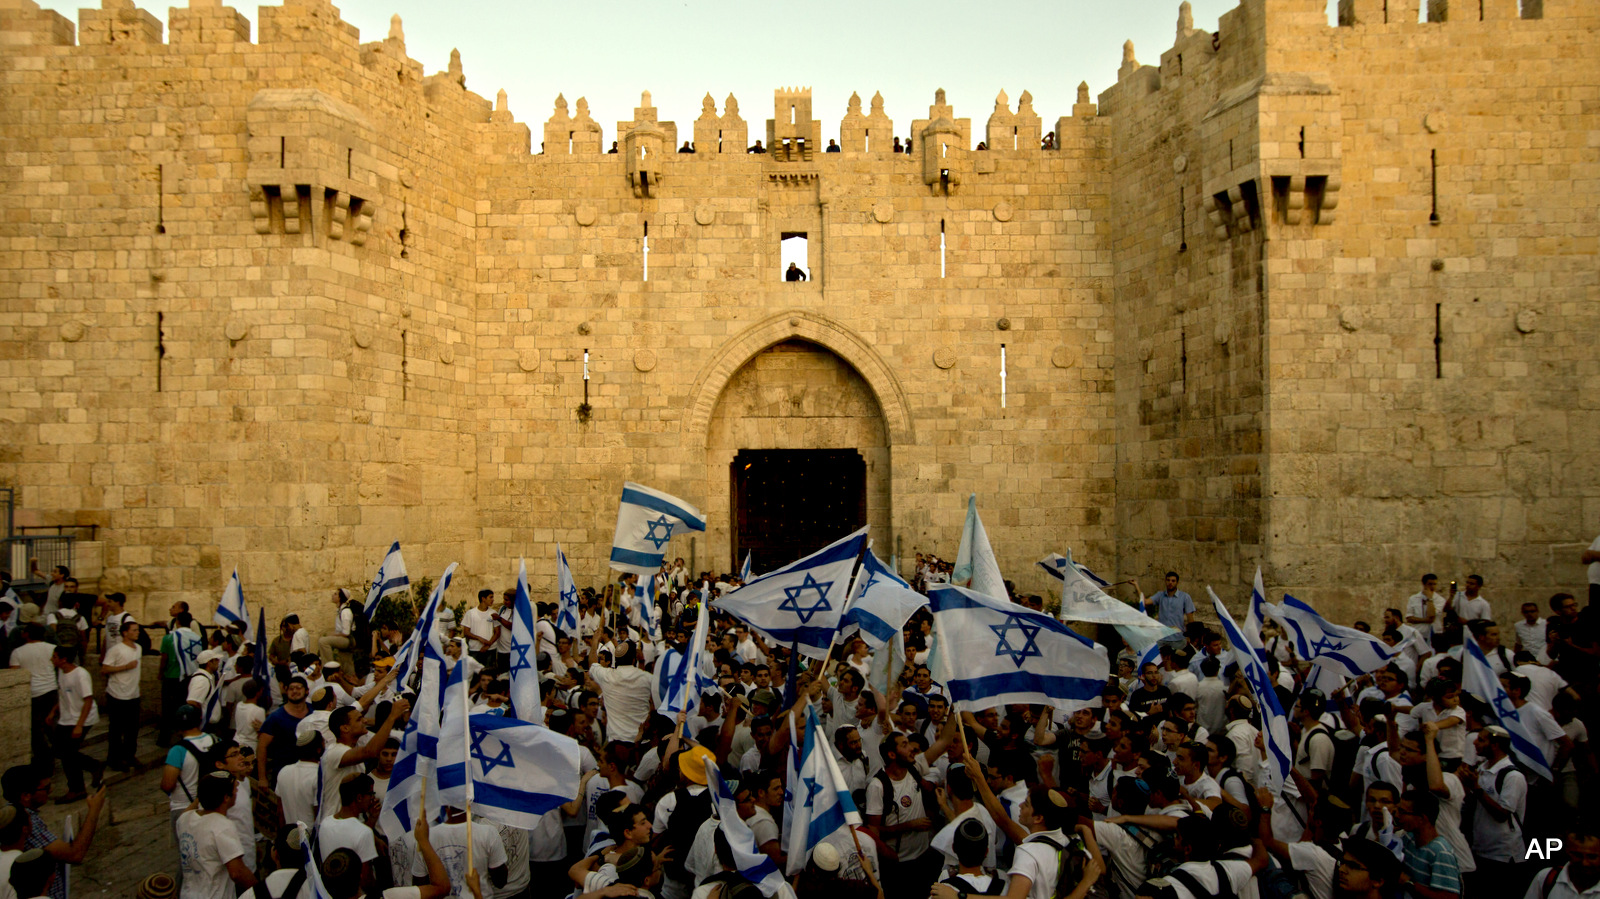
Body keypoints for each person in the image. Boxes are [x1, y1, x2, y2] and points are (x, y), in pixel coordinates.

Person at [0, 764, 106, 899]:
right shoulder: (26, 821)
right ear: (26, 796)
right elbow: (75, 854)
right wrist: (94, 811)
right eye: (46, 788)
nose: (51, 791)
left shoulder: (9, 815)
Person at [176, 771, 256, 897]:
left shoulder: (184, 819)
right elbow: (237, 873)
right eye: (235, 789)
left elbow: (190, 810)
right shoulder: (222, 826)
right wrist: (261, 891)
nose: (237, 792)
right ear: (226, 797)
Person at [46, 645, 102, 802]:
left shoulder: (80, 675)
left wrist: (79, 725)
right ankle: (92, 767)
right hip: (66, 717)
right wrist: (53, 711)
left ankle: (77, 788)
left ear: (63, 659)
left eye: (55, 656)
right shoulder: (61, 672)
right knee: (59, 750)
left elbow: (88, 700)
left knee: (69, 753)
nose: (52, 659)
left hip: (82, 718)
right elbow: (63, 694)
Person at [1395, 790, 1462, 899]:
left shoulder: (1440, 852)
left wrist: (1409, 883)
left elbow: (1450, 897)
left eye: (1402, 812)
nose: (1397, 815)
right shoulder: (1408, 839)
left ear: (1422, 818)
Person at [102, 617, 144, 770]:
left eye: (137, 630)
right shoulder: (116, 650)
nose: (137, 632)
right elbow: (105, 669)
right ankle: (114, 759)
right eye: (134, 630)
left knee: (132, 729)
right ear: (125, 633)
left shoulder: (138, 648)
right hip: (117, 695)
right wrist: (125, 666)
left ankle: (129, 756)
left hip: (133, 695)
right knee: (116, 729)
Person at [12, 625, 57, 768]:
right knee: (51, 727)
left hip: (32, 693)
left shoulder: (18, 652)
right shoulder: (52, 648)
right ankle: (61, 753)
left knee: (36, 731)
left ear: (26, 634)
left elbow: (15, 675)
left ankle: (45, 760)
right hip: (51, 690)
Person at [1524, 819, 1600, 899]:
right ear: (1567, 851)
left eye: (1592, 857)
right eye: (1577, 855)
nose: (1584, 863)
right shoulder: (1545, 878)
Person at [318, 589, 356, 659]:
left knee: (323, 641)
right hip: (344, 639)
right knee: (345, 664)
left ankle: (329, 667)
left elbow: (346, 633)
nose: (333, 595)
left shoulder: (345, 612)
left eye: (335, 594)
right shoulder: (340, 611)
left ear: (340, 598)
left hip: (348, 640)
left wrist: (333, 635)